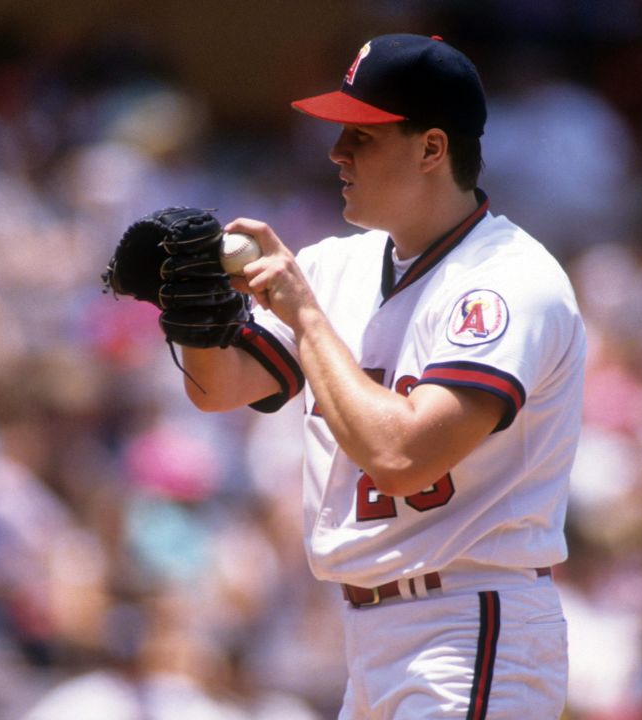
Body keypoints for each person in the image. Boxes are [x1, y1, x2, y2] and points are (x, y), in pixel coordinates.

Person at [180, 34, 586, 718]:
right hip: (374, 636)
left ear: (432, 148)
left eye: (362, 135)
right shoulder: (339, 266)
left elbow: (403, 459)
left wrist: (306, 317)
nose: (337, 152)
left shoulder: (509, 280)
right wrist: (188, 302)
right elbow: (218, 387)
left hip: (470, 628)